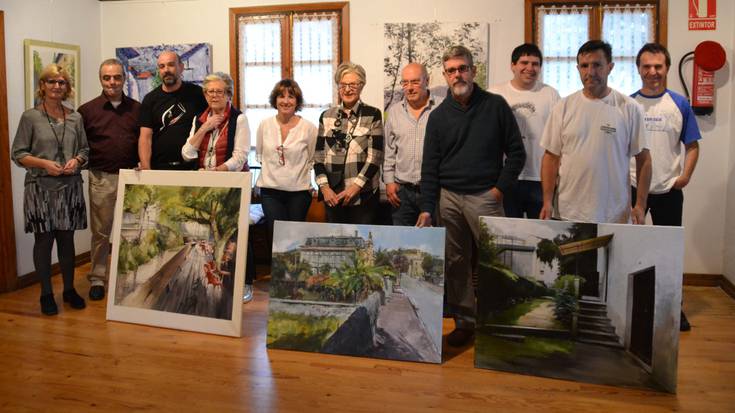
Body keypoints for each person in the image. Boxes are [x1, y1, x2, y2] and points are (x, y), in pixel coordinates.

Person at [417, 45, 526, 347]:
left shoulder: (495, 106)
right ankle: (465, 322)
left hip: (485, 197)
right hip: (449, 198)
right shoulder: (438, 117)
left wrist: (499, 189)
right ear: (445, 75)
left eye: (462, 68)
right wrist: (428, 207)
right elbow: (430, 166)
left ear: (473, 71)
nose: (457, 74)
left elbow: (517, 153)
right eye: (451, 70)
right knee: (455, 262)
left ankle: (500, 323)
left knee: (499, 262)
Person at [540, 40, 652, 225]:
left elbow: (644, 160)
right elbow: (550, 157)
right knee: (573, 255)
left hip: (615, 214)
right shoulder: (563, 107)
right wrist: (546, 201)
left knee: (613, 255)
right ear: (578, 68)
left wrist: (640, 204)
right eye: (584, 66)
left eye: (597, 65)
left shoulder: (629, 108)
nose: (590, 72)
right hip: (569, 212)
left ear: (610, 67)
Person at [631, 43, 702, 331]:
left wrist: (684, 176)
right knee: (632, 251)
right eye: (646, 66)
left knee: (668, 253)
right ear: (638, 69)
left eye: (658, 66)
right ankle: (636, 310)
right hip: (633, 190)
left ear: (667, 69)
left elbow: (692, 145)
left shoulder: (680, 104)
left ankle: (673, 309)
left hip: (668, 191)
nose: (652, 72)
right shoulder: (628, 104)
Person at [11, 64, 89, 315]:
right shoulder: (30, 117)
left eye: (62, 82)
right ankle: (46, 293)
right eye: (52, 82)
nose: (57, 86)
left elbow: (85, 150)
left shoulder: (75, 117)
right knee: (43, 241)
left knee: (67, 240)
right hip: (40, 188)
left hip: (70, 187)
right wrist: (43, 163)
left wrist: (76, 161)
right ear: (42, 86)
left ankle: (68, 290)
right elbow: (18, 154)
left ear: (67, 87)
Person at [180, 72, 256, 303]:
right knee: (212, 235)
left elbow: (240, 157)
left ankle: (245, 282)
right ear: (205, 94)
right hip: (207, 188)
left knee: (238, 234)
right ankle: (216, 280)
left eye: (219, 91)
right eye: (210, 91)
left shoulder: (238, 119)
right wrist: (204, 128)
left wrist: (216, 173)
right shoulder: (199, 119)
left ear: (228, 94)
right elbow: (186, 154)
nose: (214, 95)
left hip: (233, 185)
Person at [77, 58, 140, 301]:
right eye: (107, 77)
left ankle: (128, 277)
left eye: (116, 77)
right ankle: (97, 278)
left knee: (132, 232)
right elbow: (81, 147)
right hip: (101, 178)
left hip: (132, 178)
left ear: (123, 79)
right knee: (101, 233)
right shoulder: (87, 111)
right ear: (100, 79)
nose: (112, 82)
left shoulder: (137, 108)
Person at [489, 43, 560, 219]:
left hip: (540, 179)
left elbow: (560, 139)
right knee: (508, 234)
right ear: (513, 66)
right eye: (524, 62)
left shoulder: (551, 94)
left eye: (535, 64)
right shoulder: (495, 94)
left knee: (541, 234)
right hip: (506, 179)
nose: (530, 68)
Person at [314, 62, 384, 224]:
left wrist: (355, 187)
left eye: (352, 84)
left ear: (361, 86)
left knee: (362, 244)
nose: (347, 89)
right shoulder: (326, 116)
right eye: (343, 85)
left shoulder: (372, 114)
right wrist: (325, 188)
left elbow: (375, 157)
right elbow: (318, 158)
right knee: (337, 245)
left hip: (363, 196)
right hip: (332, 197)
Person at [256, 79, 317, 235]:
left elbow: (312, 159)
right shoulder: (264, 125)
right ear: (275, 100)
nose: (286, 101)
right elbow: (261, 156)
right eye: (281, 96)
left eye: (291, 97)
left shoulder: (309, 128)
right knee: (276, 236)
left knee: (294, 238)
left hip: (299, 193)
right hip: (270, 192)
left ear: (297, 102)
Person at [383, 63, 440, 226]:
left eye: (415, 82)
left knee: (433, 243)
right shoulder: (394, 112)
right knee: (401, 243)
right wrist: (389, 181)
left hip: (434, 192)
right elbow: (389, 150)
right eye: (405, 83)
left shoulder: (441, 108)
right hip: (402, 193)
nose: (409, 88)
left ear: (427, 80)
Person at [138, 50, 208, 170]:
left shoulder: (197, 94)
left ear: (181, 67)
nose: (166, 70)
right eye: (162, 66)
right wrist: (146, 169)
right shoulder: (150, 99)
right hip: (159, 168)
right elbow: (145, 137)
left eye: (171, 65)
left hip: (191, 167)